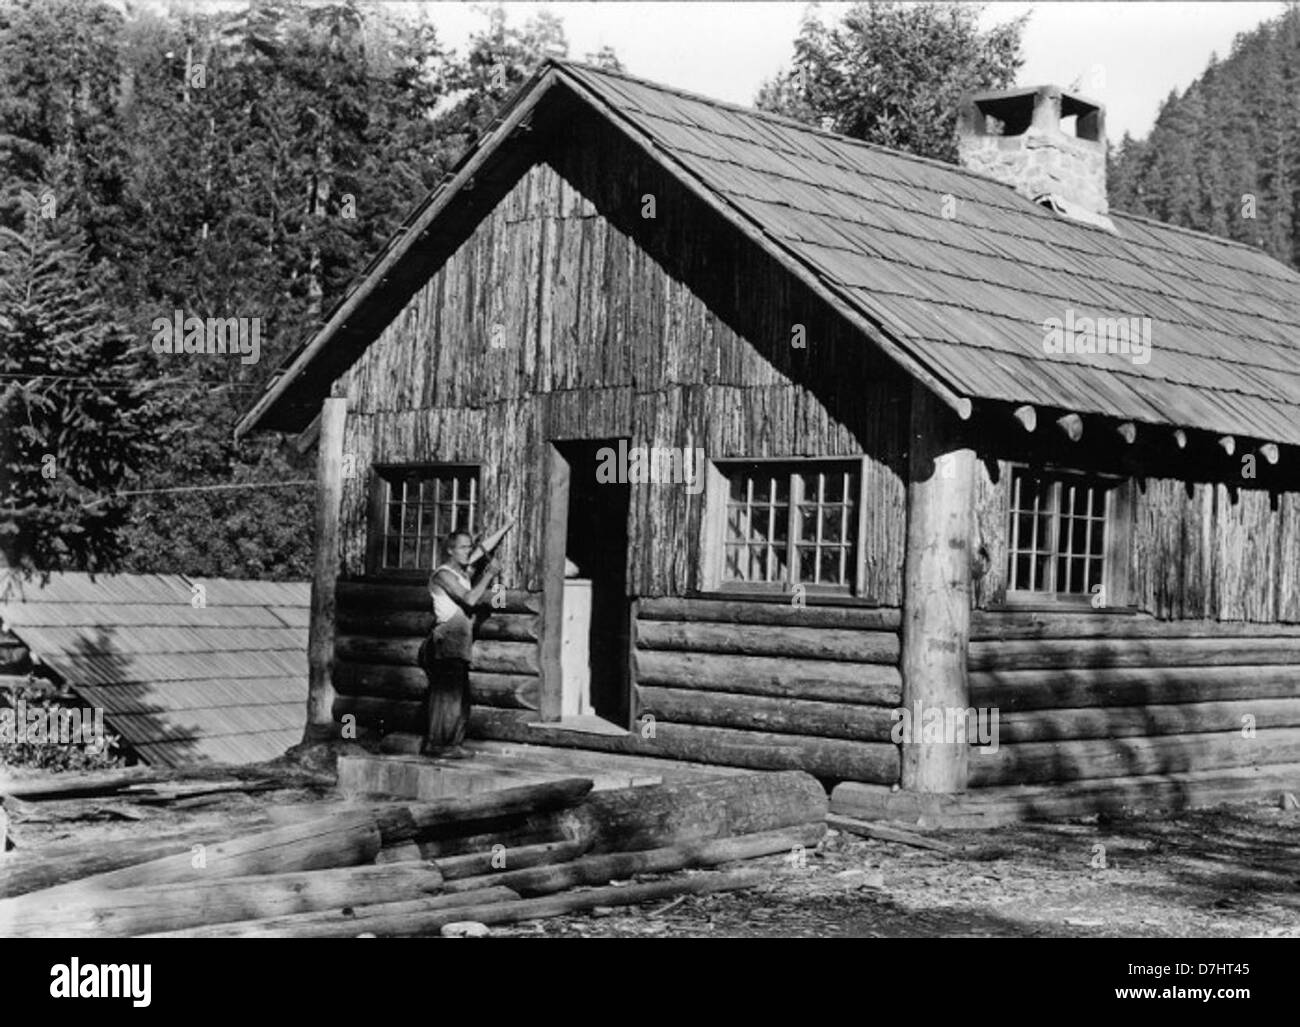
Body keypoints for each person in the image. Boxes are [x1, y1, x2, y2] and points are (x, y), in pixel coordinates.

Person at [419, 530, 501, 758]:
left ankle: (452, 745)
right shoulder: (443, 575)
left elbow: (481, 548)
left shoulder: (462, 572)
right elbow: (470, 599)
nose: (468, 552)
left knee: (460, 697)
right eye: (463, 548)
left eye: (469, 547)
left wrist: (506, 527)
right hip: (447, 640)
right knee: (446, 696)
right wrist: (489, 575)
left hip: (460, 641)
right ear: (450, 550)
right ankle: (437, 744)